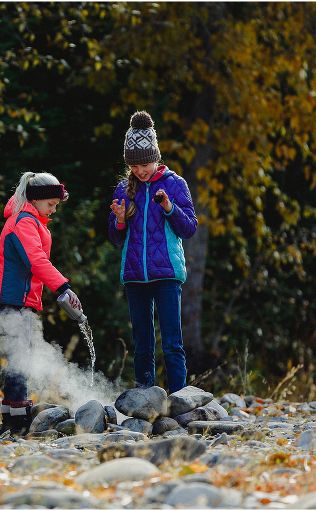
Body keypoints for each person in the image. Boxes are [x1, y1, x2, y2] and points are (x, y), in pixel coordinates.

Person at [108, 110, 198, 394]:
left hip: (167, 273)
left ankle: (180, 398)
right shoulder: (124, 189)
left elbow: (189, 228)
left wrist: (169, 207)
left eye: (145, 164)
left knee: (172, 341)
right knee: (142, 342)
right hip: (135, 275)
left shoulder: (174, 184)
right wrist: (120, 219)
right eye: (134, 166)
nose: (140, 170)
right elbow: (115, 236)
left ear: (156, 157)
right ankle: (144, 397)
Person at [0, 171, 82, 436]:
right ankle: (18, 421)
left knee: (19, 355)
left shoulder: (31, 220)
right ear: (36, 199)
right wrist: (63, 286)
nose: (53, 209)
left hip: (19, 298)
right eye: (51, 204)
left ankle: (10, 418)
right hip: (12, 298)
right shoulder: (23, 222)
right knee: (20, 358)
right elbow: (36, 261)